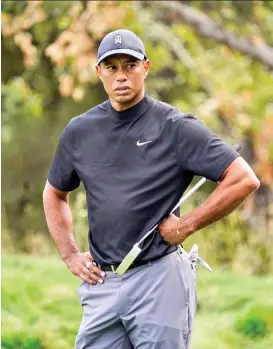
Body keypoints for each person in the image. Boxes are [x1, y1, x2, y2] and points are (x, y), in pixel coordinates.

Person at [43, 29, 260, 349]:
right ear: (98, 72)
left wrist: (186, 226)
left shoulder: (174, 127)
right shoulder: (80, 131)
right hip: (103, 283)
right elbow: (54, 193)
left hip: (159, 280)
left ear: (145, 67)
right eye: (112, 67)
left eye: (129, 65)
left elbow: (243, 178)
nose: (121, 76)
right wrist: (69, 254)